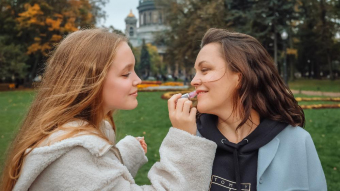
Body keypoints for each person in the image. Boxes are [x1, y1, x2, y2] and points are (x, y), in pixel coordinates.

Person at [0, 29, 217, 191]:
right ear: (89, 81)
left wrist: (122, 155)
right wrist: (185, 140)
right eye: (126, 74)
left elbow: (92, 180)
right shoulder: (74, 154)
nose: (138, 80)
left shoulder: (70, 140)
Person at [192, 28, 327, 191]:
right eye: (196, 72)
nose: (194, 80)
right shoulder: (191, 139)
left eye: (205, 70)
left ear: (240, 77)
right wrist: (185, 143)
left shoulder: (297, 142)